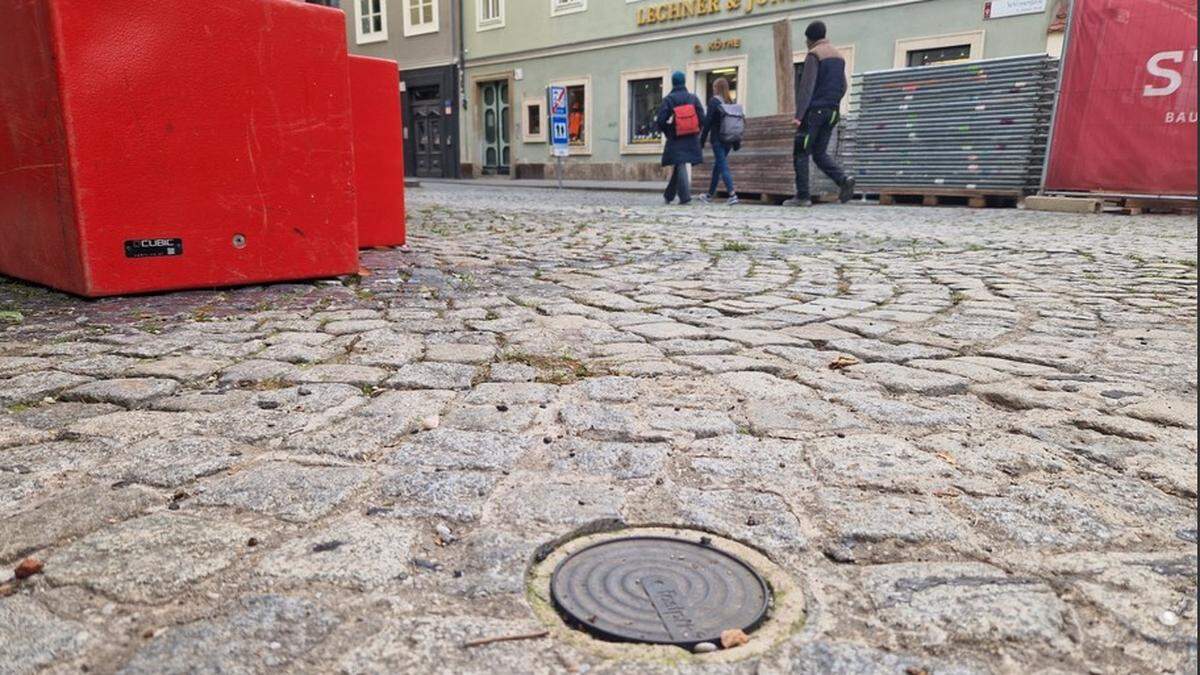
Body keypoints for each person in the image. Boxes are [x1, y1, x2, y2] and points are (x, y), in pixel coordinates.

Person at [785, 20, 856, 207]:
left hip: (814, 112)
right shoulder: (838, 56)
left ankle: (802, 196)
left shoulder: (814, 54)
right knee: (819, 153)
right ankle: (843, 179)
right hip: (832, 112)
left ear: (809, 39)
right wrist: (833, 103)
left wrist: (799, 116)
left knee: (801, 151)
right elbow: (843, 86)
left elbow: (807, 87)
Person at [655, 71, 704, 205]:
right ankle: (669, 195)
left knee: (680, 162)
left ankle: (685, 197)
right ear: (684, 82)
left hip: (676, 137)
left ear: (673, 83)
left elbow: (660, 120)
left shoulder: (669, 100)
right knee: (680, 163)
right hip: (691, 137)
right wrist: (695, 130)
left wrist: (669, 131)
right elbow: (702, 118)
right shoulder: (693, 98)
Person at [698, 77, 741, 205]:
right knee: (717, 166)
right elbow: (734, 124)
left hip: (717, 139)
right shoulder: (730, 102)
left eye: (714, 88)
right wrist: (736, 142)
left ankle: (732, 194)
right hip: (728, 140)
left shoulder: (714, 102)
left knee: (722, 166)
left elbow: (707, 123)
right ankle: (709, 195)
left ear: (717, 88)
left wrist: (701, 140)